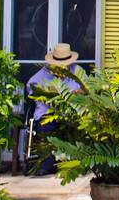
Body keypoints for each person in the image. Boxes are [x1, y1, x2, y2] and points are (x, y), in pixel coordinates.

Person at [25, 44, 84, 174]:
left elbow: (87, 88)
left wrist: (78, 93)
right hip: (48, 112)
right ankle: (47, 165)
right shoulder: (43, 74)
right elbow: (31, 87)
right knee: (47, 125)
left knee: (79, 125)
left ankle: (73, 164)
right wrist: (44, 95)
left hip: (72, 112)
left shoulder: (77, 71)